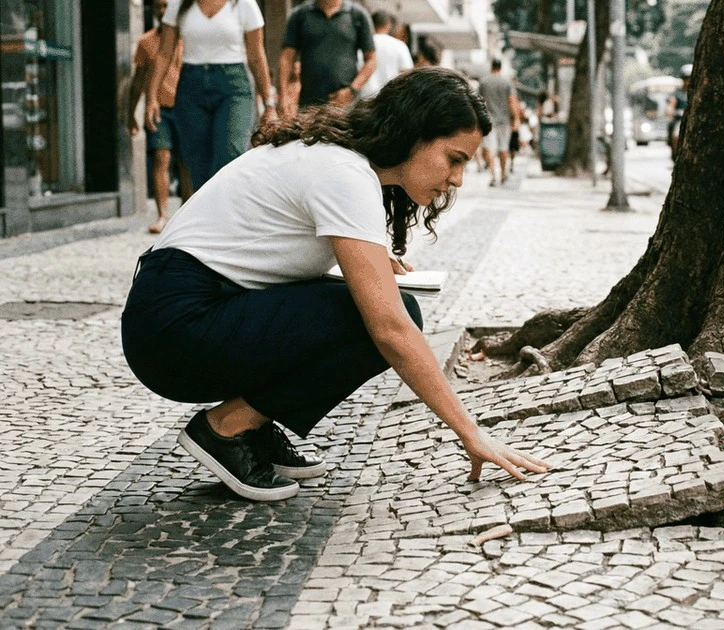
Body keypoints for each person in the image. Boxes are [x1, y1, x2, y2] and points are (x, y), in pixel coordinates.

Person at [122, 68, 550, 502]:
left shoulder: (340, 160)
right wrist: (470, 433)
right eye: (454, 159)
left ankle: (250, 422)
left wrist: (369, 266)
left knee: (376, 305)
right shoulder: (343, 173)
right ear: (413, 134)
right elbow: (390, 327)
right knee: (389, 318)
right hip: (172, 328)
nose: (457, 178)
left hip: (183, 311)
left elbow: (264, 257)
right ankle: (227, 429)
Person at [145, 0, 275, 192]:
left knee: (230, 153)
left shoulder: (243, 4)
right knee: (198, 164)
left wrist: (269, 103)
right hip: (191, 86)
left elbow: (256, 55)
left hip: (232, 86)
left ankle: (231, 214)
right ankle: (210, 219)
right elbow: (165, 53)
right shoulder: (179, 4)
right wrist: (151, 97)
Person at [128, 0, 193, 234]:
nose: (162, 11)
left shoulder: (190, 40)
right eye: (158, 7)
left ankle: (187, 214)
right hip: (160, 110)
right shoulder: (146, 42)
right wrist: (130, 114)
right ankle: (162, 215)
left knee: (187, 163)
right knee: (161, 158)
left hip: (188, 108)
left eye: (166, 6)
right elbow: (136, 83)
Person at [279, 0, 376, 117]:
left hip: (346, 105)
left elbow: (371, 60)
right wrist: (283, 96)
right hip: (310, 105)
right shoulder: (300, 14)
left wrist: (352, 90)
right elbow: (286, 57)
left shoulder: (356, 14)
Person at [477, 59, 518, 186]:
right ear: (500, 67)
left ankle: (493, 175)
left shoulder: (484, 82)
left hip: (488, 120)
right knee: (503, 147)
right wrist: (515, 118)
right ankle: (504, 174)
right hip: (504, 120)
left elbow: (478, 101)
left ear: (491, 67)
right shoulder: (506, 82)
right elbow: (512, 101)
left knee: (489, 147)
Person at [360, 10, 412, 99]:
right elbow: (406, 74)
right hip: (389, 99)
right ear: (388, 26)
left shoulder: (362, 44)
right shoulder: (400, 46)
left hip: (364, 98)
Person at [667, 64, 691, 161]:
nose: (688, 81)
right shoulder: (678, 94)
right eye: (686, 79)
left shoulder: (695, 93)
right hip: (681, 120)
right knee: (676, 136)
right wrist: (670, 110)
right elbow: (671, 105)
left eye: (690, 78)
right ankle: (677, 155)